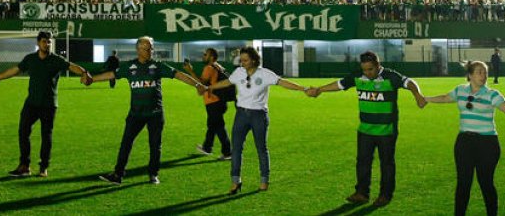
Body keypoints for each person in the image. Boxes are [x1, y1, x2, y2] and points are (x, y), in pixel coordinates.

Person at [307, 50, 427, 207]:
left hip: (386, 130)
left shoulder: (390, 76)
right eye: (364, 69)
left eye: (370, 69)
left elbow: (410, 82)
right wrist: (319, 90)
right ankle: (362, 193)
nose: (367, 73)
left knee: (387, 163)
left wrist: (418, 95)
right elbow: (340, 84)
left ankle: (385, 195)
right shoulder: (358, 76)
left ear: (378, 66)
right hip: (365, 130)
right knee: (362, 162)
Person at [90, 36, 206, 185]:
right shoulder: (129, 67)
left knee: (155, 145)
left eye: (151, 47)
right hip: (135, 114)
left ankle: (153, 174)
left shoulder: (157, 66)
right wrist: (92, 79)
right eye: (146, 48)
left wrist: (197, 85)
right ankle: (117, 175)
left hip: (155, 114)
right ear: (138, 50)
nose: (150, 51)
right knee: (126, 143)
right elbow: (112, 75)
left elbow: (178, 75)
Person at [424, 60, 505, 216]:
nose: (483, 76)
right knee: (463, 183)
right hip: (464, 143)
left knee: (486, 183)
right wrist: (426, 99)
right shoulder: (460, 91)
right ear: (470, 75)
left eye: (485, 73)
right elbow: (445, 98)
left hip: (487, 144)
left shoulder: (492, 94)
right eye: (479, 72)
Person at [208, 46, 308, 193]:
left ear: (254, 60)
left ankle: (264, 180)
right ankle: (235, 181)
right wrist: (210, 87)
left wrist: (303, 89)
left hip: (259, 116)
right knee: (236, 149)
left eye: (245, 60)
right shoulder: (239, 72)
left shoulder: (265, 74)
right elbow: (228, 82)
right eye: (241, 60)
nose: (242, 63)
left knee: (261, 149)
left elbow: (283, 82)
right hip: (241, 114)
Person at [0, 30, 93, 178]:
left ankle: (43, 167)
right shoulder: (30, 59)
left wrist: (84, 72)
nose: (47, 44)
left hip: (48, 104)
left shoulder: (56, 59)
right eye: (44, 41)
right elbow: (16, 70)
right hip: (31, 103)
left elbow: (71, 66)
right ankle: (24, 166)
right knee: (23, 132)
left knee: (46, 136)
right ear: (38, 43)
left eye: (49, 42)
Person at [183, 47, 232, 160]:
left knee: (219, 127)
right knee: (212, 125)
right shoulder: (218, 66)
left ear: (211, 57)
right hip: (220, 101)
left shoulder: (209, 68)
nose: (203, 56)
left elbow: (202, 84)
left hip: (213, 102)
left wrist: (190, 71)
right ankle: (207, 147)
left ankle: (228, 152)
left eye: (205, 54)